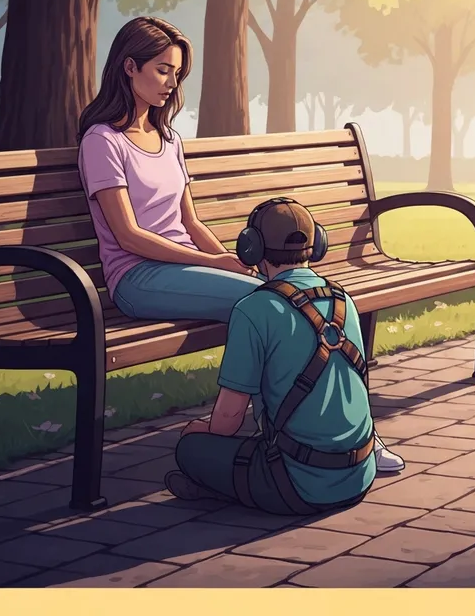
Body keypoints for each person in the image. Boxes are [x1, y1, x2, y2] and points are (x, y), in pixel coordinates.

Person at [77, 16, 404, 473]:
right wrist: (213, 261)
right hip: (137, 277)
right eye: (162, 70)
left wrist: (236, 263)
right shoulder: (103, 141)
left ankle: (348, 434)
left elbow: (189, 220)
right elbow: (129, 234)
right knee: (276, 304)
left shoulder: (168, 138)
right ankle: (298, 434)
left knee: (308, 298)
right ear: (129, 67)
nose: (172, 82)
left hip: (186, 268)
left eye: (177, 73)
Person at [165, 197, 388, 514]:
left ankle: (228, 489)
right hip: (359, 478)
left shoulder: (252, 309)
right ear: (317, 244)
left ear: (251, 249)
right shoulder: (342, 300)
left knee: (191, 448)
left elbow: (228, 422)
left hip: (296, 485)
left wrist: (199, 430)